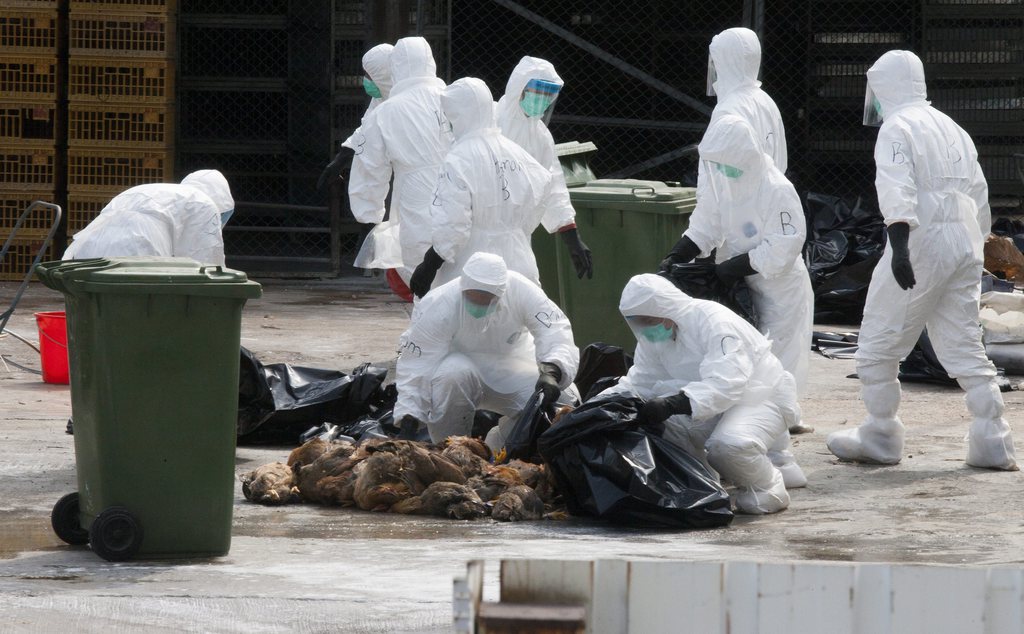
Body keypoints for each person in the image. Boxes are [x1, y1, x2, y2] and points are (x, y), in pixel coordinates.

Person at [827, 50, 1017, 471]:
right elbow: (979, 192)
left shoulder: (897, 127)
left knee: (879, 340)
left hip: (920, 238)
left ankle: (880, 434)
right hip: (964, 238)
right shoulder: (953, 127)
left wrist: (898, 245)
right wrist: (978, 244)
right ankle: (993, 439)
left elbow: (897, 187)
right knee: (963, 341)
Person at [600, 274, 803, 514]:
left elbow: (728, 381)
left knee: (728, 445)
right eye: (636, 322)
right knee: (656, 429)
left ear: (665, 310)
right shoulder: (654, 338)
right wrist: (599, 403)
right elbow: (641, 381)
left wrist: (674, 403)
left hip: (758, 397)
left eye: (646, 320)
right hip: (711, 404)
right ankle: (705, 481)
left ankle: (767, 486)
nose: (643, 328)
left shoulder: (712, 320)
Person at [394, 252, 580, 444]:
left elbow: (554, 330)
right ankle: (450, 450)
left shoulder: (521, 290)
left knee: (564, 400)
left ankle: (500, 443)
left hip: (512, 366)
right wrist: (409, 418)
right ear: (463, 287)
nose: (478, 305)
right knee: (451, 374)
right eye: (472, 298)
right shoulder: (440, 304)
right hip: (461, 374)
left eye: (486, 299)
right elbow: (417, 363)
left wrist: (553, 369)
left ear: (501, 293)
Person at [408, 77, 556, 296]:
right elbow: (543, 190)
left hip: (471, 261)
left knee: (467, 322)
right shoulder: (516, 153)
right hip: (518, 257)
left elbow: (454, 223)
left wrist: (430, 263)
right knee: (514, 320)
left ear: (458, 115)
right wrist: (516, 230)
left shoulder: (459, 159)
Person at [347, 36, 452, 283]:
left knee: (421, 274)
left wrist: (368, 215)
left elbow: (370, 169)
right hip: (461, 194)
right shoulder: (455, 98)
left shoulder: (386, 112)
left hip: (415, 198)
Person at [496, 56, 592, 281]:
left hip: (517, 236)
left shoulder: (540, 136)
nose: (542, 98)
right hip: (478, 234)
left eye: (548, 93)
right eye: (537, 90)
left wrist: (571, 236)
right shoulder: (491, 119)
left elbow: (552, 184)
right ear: (519, 87)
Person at [62, 169, 233, 266]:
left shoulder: (161, 191)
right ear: (222, 204)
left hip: (89, 250)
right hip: (139, 252)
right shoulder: (203, 203)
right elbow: (204, 263)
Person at [316, 43, 394, 191]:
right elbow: (367, 127)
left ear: (383, 75)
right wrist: (343, 156)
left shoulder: (410, 101)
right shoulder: (382, 97)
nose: (365, 80)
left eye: (370, 75)